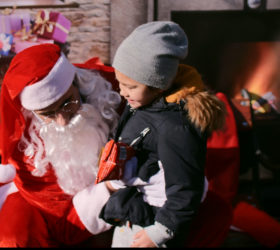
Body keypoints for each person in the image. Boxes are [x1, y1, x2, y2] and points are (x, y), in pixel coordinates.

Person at [97, 21, 227, 247]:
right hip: (135, 209)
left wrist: (160, 232)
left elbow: (186, 186)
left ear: (158, 85)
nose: (122, 91)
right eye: (120, 83)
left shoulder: (175, 127)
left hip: (154, 221)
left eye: (129, 86)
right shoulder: (143, 102)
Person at [0, 43, 123, 247]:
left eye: (67, 103)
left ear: (76, 82)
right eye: (48, 114)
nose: (63, 121)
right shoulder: (27, 150)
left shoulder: (109, 90)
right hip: (52, 214)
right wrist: (108, 189)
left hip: (113, 199)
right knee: (14, 233)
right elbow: (63, 225)